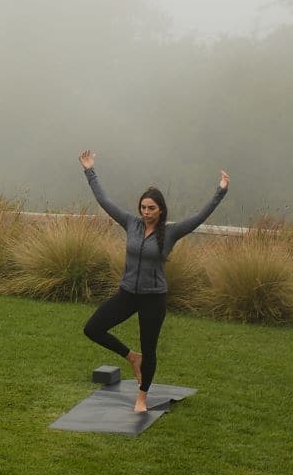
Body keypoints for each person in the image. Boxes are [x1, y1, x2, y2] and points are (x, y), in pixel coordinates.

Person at [78, 151, 229, 412]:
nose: (146, 212)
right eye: (143, 207)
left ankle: (142, 396)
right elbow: (104, 200)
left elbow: (200, 217)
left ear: (161, 210)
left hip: (153, 298)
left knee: (150, 348)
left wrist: (221, 190)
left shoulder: (170, 232)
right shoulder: (131, 223)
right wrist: (89, 170)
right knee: (93, 329)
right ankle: (131, 357)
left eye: (151, 208)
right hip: (127, 294)